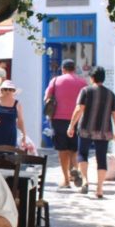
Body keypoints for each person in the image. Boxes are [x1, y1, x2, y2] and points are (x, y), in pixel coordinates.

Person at [67, 66, 115, 198]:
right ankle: (100, 189)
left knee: (82, 154)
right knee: (101, 158)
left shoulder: (86, 91)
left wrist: (71, 125)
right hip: (104, 130)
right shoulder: (111, 94)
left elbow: (79, 109)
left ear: (92, 78)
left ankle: (85, 181)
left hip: (86, 129)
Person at [44, 59, 87, 189]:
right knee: (74, 148)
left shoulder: (56, 81)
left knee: (62, 150)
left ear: (63, 69)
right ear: (74, 69)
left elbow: (47, 98)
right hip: (77, 119)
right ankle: (74, 169)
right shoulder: (82, 82)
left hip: (58, 119)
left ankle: (66, 180)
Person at [0, 79, 27, 149]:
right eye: (5, 89)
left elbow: (20, 121)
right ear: (1, 90)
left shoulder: (17, 104)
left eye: (10, 89)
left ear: (13, 91)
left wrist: (24, 135)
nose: (8, 91)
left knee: (9, 157)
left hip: (10, 136)